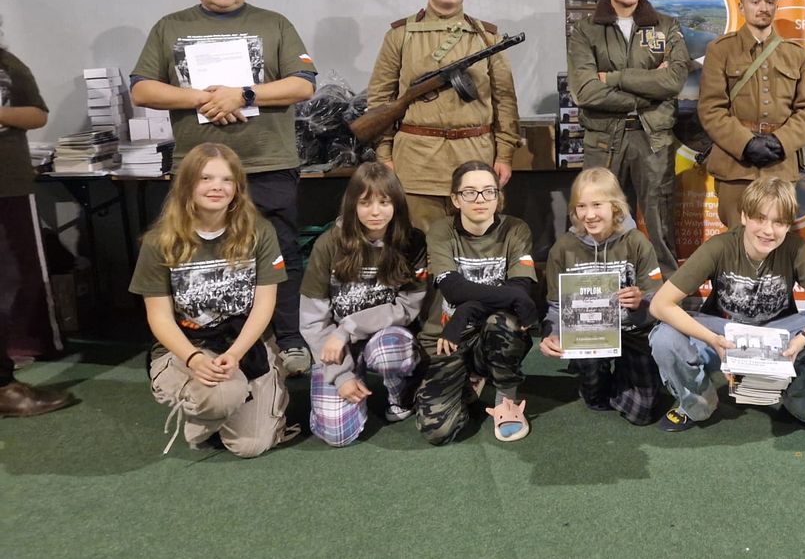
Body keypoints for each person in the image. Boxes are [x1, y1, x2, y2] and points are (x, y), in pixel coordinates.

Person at [130, 0, 317, 375]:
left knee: (281, 253)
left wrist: (244, 94)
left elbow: (303, 84)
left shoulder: (274, 23)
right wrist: (204, 98)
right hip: (197, 171)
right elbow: (141, 89)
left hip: (267, 163)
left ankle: (289, 339)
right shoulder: (169, 27)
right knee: (193, 259)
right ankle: (191, 344)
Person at [648, 177, 805, 433]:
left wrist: (803, 338)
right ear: (744, 216)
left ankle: (802, 405)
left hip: (780, 332)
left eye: (779, 222)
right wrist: (712, 339)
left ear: (788, 225)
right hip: (724, 332)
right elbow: (660, 305)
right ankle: (698, 404)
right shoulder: (719, 246)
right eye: (760, 218)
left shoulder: (796, 249)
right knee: (664, 337)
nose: (768, 230)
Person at [128, 143, 292, 456]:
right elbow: (159, 316)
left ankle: (231, 409)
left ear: (237, 188)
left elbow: (264, 303)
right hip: (190, 343)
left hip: (244, 342)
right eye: (206, 178)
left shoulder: (260, 231)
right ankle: (207, 408)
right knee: (222, 397)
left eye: (227, 179)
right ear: (187, 184)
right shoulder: (159, 241)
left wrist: (236, 353)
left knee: (250, 446)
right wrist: (193, 358)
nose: (217, 186)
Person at [367, 0, 522, 233]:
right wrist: (385, 155)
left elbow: (505, 100)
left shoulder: (488, 37)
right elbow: (380, 100)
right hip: (417, 162)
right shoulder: (400, 35)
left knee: (477, 242)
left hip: (475, 156)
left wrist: (504, 155)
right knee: (418, 244)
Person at [566, 0, 690, 275]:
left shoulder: (666, 25)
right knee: (596, 214)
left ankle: (665, 290)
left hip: (653, 138)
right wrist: (647, 94)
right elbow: (585, 91)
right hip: (604, 138)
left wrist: (614, 78)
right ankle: (598, 286)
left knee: (660, 219)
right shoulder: (585, 30)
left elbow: (674, 81)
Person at [299, 163, 427, 447]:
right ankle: (349, 387)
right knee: (338, 435)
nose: (375, 211)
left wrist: (348, 327)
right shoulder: (329, 244)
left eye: (384, 202)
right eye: (365, 203)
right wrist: (341, 375)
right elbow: (312, 319)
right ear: (352, 205)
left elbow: (408, 308)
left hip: (384, 336)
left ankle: (401, 394)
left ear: (396, 204)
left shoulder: (412, 241)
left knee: (389, 351)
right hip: (335, 345)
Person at [416, 161, 538, 444]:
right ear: (456, 199)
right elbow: (453, 289)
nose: (480, 199)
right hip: (448, 338)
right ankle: (465, 381)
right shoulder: (441, 231)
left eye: (488, 191)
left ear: (498, 196)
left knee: (504, 321)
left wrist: (469, 309)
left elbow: (520, 288)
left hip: (491, 333)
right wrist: (475, 304)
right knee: (438, 432)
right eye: (470, 192)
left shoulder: (516, 229)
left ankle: (506, 400)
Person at [697, 0, 805, 227]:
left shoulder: (795, 55)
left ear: (776, 5)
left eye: (769, 1)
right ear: (741, 6)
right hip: (735, 167)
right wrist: (745, 144)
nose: (763, 7)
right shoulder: (721, 50)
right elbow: (711, 108)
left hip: (780, 166)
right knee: (737, 238)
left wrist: (781, 141)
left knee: (776, 237)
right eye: (755, 1)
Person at [539, 167, 665, 425]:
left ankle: (627, 372)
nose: (589, 214)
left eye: (597, 204)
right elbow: (555, 305)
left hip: (632, 330)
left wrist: (640, 300)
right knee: (596, 400)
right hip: (588, 334)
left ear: (615, 206)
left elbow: (658, 300)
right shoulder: (563, 248)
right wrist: (551, 334)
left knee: (641, 413)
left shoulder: (637, 242)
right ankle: (592, 374)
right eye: (581, 206)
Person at [0, 43, 74, 417]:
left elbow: (36, 114)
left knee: (14, 279)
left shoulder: (7, 64)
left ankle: (5, 379)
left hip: (8, 185)